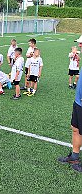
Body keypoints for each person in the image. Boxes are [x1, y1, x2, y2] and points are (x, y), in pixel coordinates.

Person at [58, 35, 82, 173]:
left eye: (81, 44)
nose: (79, 46)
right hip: (78, 102)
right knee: (75, 128)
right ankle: (74, 156)